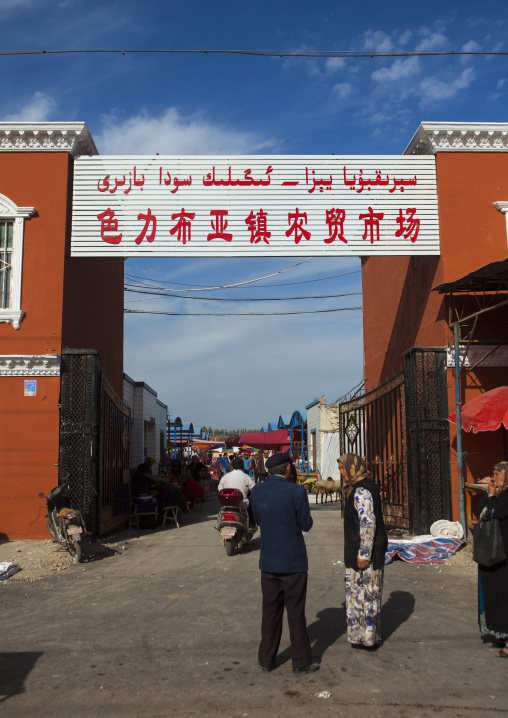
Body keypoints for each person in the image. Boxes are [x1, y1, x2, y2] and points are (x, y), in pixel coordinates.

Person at [250, 451, 319, 675]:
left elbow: (256, 521)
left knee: (270, 612)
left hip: (268, 562)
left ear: (270, 470)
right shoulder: (297, 491)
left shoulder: (257, 491)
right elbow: (306, 525)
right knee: (296, 613)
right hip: (293, 563)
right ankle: (301, 662)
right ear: (288, 469)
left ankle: (266, 659)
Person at [338, 453, 388, 651]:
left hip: (365, 555)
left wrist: (364, 554)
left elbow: (368, 524)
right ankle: (359, 636)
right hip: (357, 552)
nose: (341, 472)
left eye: (343, 468)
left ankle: (367, 638)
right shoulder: (358, 486)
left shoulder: (361, 490)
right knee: (358, 595)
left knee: (367, 595)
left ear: (353, 467)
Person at [477, 461, 508, 657]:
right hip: (491, 553)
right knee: (493, 594)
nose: (494, 478)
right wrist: (489, 494)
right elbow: (481, 510)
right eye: (493, 474)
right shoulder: (497, 495)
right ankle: (498, 634)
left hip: (504, 553)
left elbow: (495, 513)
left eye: (498, 475)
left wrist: (491, 497)